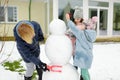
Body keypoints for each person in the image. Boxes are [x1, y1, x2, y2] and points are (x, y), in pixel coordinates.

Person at [66, 6, 97, 80]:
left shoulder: (81, 34)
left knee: (84, 73)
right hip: (86, 55)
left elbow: (74, 28)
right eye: (75, 18)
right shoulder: (90, 33)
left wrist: (68, 19)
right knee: (85, 72)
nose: (77, 21)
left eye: (78, 18)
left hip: (83, 56)